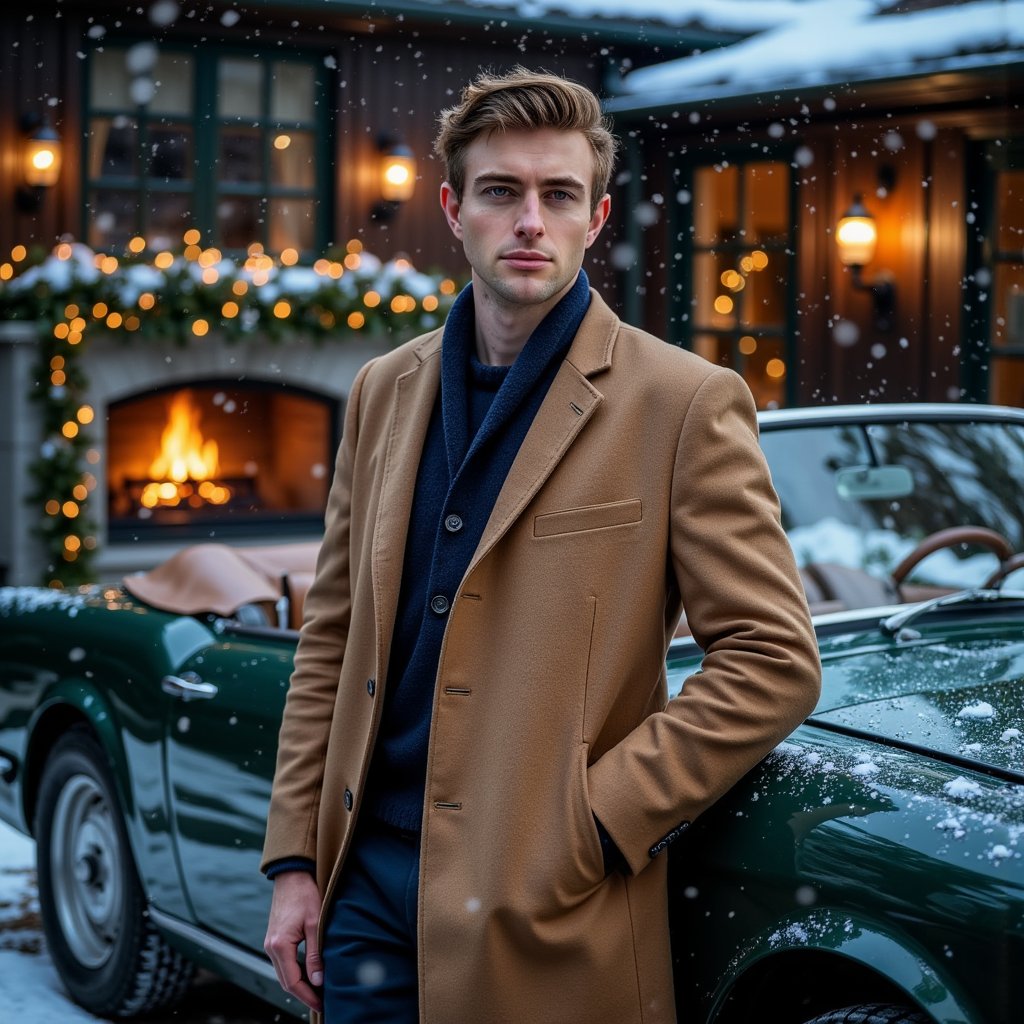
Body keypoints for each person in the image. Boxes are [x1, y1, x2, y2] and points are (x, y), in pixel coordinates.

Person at [261, 67, 821, 1024]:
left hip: (542, 905)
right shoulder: (380, 391)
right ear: (453, 208)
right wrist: (294, 862)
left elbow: (773, 659)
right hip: (362, 890)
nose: (530, 220)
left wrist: (594, 824)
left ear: (596, 218)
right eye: (500, 192)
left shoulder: (683, 403)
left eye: (558, 195)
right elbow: (335, 633)